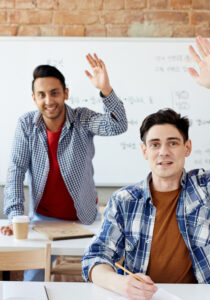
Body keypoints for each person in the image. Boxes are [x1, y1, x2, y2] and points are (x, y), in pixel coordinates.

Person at [82, 36, 210, 300]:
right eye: (154, 144)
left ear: (187, 148)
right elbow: (95, 259)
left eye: (172, 143)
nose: (163, 151)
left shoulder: (203, 190)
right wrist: (121, 285)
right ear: (145, 151)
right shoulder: (124, 201)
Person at [1, 54, 127, 280]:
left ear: (65, 93)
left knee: (99, 277)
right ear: (34, 98)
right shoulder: (26, 125)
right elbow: (16, 171)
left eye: (54, 93)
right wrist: (16, 217)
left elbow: (118, 125)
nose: (48, 100)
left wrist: (106, 90)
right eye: (42, 95)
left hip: (84, 219)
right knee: (33, 282)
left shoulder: (82, 119)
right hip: (42, 218)